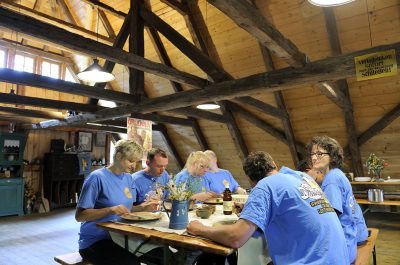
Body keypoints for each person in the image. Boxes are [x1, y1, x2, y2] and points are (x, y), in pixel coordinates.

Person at [187, 151, 350, 265]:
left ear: (251, 180)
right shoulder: (301, 177)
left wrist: (200, 229)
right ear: (274, 164)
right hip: (339, 258)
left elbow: (236, 238)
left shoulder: (264, 186)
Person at [75, 139, 159, 265]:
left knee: (161, 255)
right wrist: (110, 210)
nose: (134, 165)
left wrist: (143, 208)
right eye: (131, 161)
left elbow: (126, 209)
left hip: (121, 236)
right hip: (96, 240)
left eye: (136, 161)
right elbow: (80, 216)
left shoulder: (128, 178)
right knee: (131, 263)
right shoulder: (96, 178)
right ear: (119, 156)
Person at [307, 135, 368, 263]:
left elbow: (330, 218)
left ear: (332, 156)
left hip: (345, 244)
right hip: (354, 235)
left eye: (319, 154)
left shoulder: (331, 180)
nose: (313, 157)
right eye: (312, 154)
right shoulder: (337, 174)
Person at [297, 157, 368, 247]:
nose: (306, 181)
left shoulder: (331, 181)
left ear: (310, 170)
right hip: (359, 231)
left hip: (351, 238)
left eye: (304, 177)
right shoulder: (335, 173)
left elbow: (331, 216)